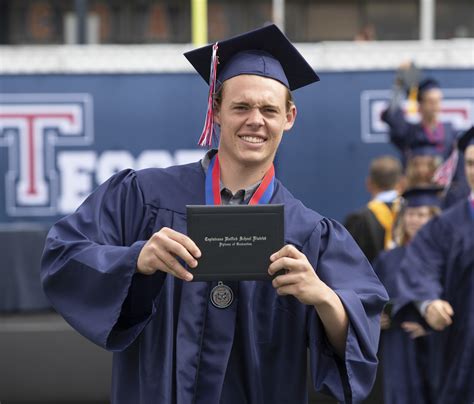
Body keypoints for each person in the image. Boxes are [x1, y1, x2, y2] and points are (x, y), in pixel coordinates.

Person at [41, 24, 388, 403]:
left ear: (289, 117)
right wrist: (135, 260)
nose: (255, 120)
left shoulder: (309, 234)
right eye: (241, 106)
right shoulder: (144, 196)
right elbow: (62, 256)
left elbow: (358, 342)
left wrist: (323, 297)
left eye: (269, 109)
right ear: (216, 110)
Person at [392, 126, 474, 404]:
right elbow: (422, 266)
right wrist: (428, 303)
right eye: (472, 163)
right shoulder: (445, 225)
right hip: (460, 350)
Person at [373, 186, 443, 404]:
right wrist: (376, 318)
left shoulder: (446, 257)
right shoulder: (389, 259)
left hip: (437, 346)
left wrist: (432, 325)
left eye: (422, 214)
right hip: (397, 345)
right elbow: (371, 297)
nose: (415, 220)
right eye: (411, 214)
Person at [381, 74, 458, 166]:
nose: (435, 106)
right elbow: (392, 114)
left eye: (438, 101)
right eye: (431, 101)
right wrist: (399, 84)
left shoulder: (450, 131)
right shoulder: (409, 131)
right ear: (420, 105)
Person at [344, 156, 402, 263]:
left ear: (369, 183)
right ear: (401, 183)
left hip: (370, 279)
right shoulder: (409, 213)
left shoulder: (358, 219)